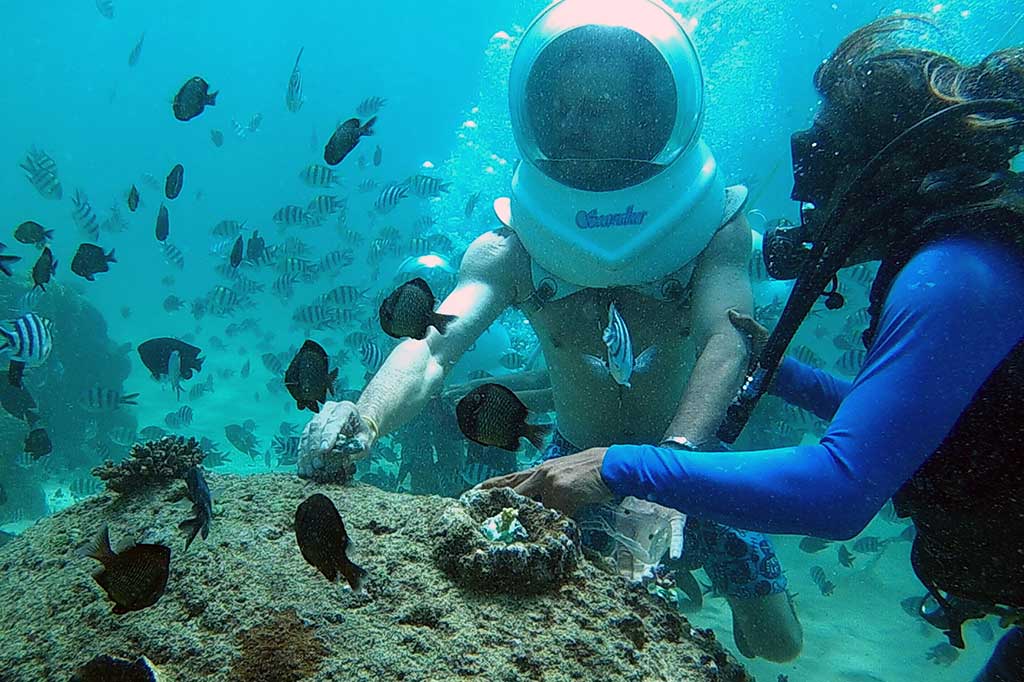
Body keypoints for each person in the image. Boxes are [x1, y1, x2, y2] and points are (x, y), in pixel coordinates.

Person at [480, 15, 1024, 680]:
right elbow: (918, 425)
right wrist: (783, 370)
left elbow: (841, 492)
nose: (802, 190)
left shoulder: (958, 277)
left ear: (890, 165)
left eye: (819, 158)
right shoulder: (966, 260)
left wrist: (620, 467)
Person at [299, 0, 802, 662]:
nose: (570, 125)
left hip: (689, 460)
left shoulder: (714, 233)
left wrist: (664, 477)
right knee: (574, 635)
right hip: (567, 468)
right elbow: (433, 344)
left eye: (596, 108)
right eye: (559, 107)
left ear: (648, 117)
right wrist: (362, 420)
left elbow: (727, 339)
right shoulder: (513, 246)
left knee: (778, 645)